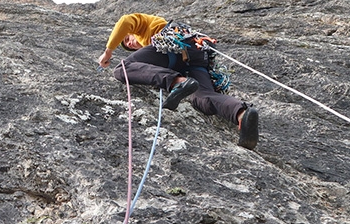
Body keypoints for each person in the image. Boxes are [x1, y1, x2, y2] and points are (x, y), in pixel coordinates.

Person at [97, 13, 259, 150]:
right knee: (202, 98)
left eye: (127, 39)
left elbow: (125, 20)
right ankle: (241, 113)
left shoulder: (145, 27)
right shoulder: (148, 50)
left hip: (172, 43)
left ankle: (178, 82)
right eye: (128, 45)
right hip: (195, 57)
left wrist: (108, 51)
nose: (130, 43)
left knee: (122, 69)